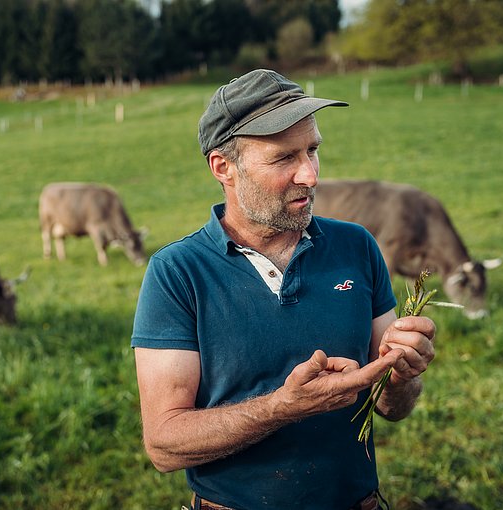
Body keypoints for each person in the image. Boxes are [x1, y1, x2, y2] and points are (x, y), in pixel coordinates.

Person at [130, 69, 436, 510]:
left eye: (312, 151)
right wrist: (282, 407)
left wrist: (403, 373)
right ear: (223, 167)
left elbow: (391, 406)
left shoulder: (356, 247)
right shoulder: (177, 273)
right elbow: (164, 445)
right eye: (284, 158)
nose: (310, 176)